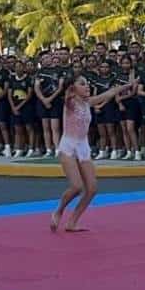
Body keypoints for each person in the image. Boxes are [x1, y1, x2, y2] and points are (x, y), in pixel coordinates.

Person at [51, 72, 136, 232]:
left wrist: (128, 85)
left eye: (87, 83)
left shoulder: (88, 103)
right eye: (82, 84)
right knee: (76, 187)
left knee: (92, 189)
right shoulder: (69, 103)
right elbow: (66, 94)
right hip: (68, 146)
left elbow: (109, 93)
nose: (87, 86)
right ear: (72, 88)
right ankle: (59, 210)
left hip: (83, 146)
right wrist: (68, 89)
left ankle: (72, 221)